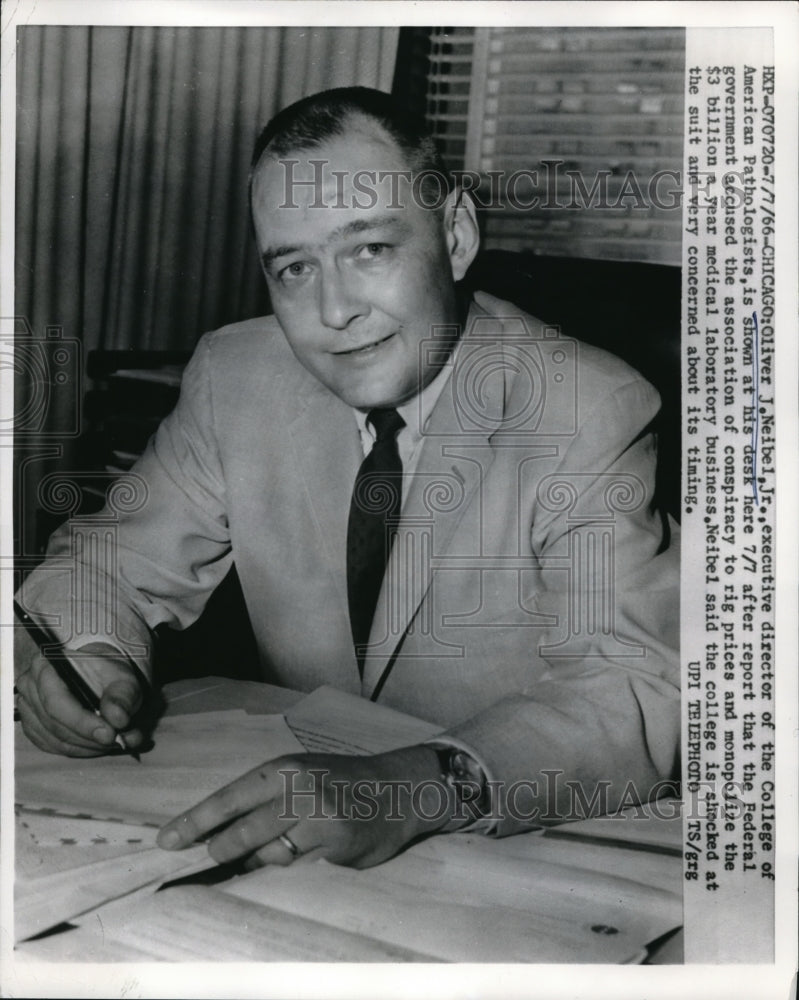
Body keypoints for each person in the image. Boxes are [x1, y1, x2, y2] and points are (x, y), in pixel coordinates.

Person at [15, 87, 679, 870]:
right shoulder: (237, 376)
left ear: (456, 236)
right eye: (294, 267)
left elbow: (634, 684)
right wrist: (90, 659)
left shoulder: (586, 404)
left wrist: (412, 788)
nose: (333, 310)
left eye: (369, 249)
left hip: (510, 850)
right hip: (298, 850)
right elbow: (105, 562)